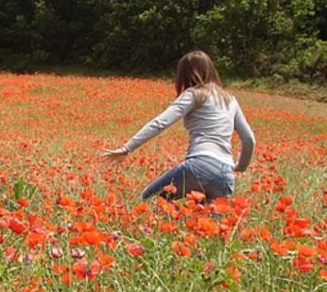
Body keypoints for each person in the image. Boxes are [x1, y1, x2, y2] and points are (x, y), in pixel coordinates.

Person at [103, 51, 255, 201]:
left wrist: (127, 148)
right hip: (225, 175)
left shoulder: (194, 94)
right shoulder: (231, 100)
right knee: (208, 223)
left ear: (185, 74)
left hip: (199, 165)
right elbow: (249, 139)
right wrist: (240, 167)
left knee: (149, 201)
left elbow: (160, 123)